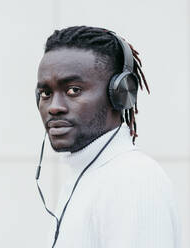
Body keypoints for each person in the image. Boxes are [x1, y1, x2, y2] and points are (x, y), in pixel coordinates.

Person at [35, 26, 180, 248]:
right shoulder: (87, 177)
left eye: (73, 90)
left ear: (120, 94)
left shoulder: (133, 179)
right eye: (46, 93)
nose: (54, 107)